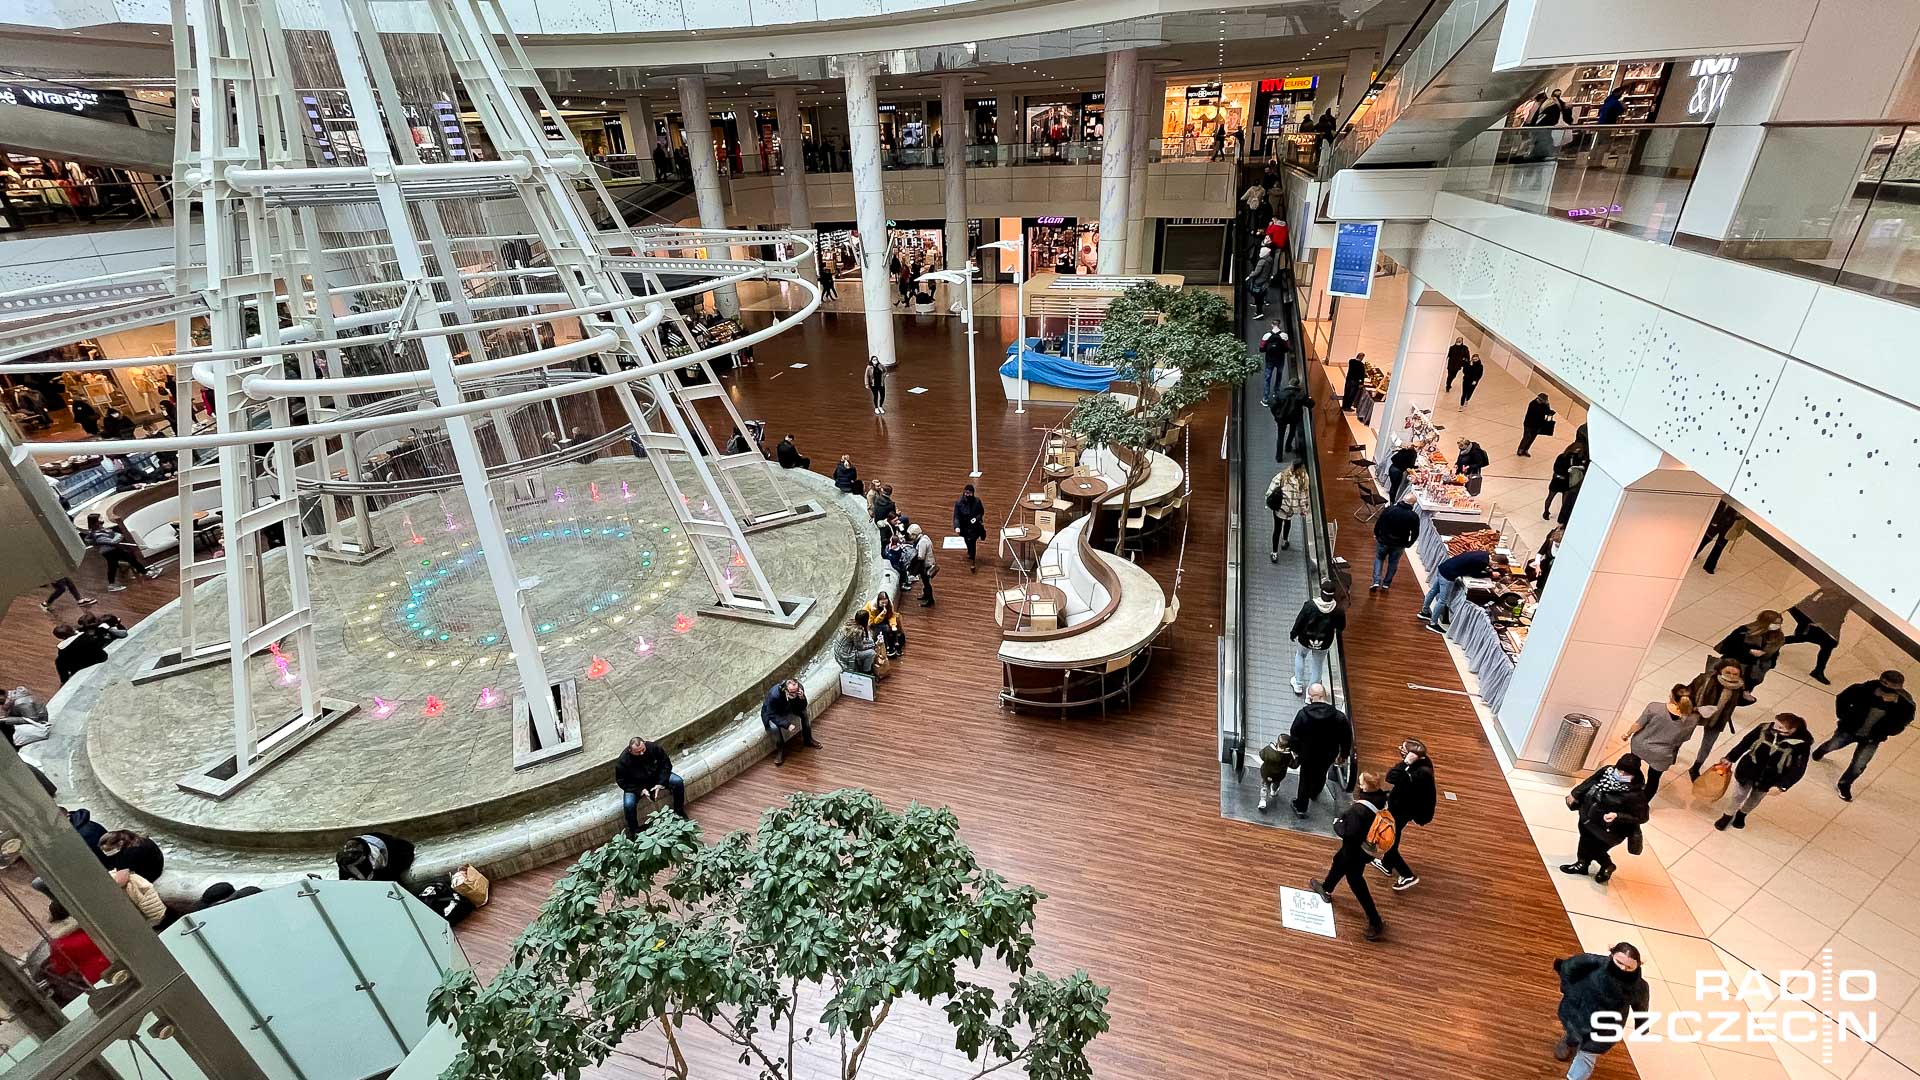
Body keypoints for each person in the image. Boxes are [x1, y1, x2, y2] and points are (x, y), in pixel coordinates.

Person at [1309, 771, 1389, 942]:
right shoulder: (1380, 799)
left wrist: (1337, 824)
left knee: (1356, 882)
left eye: (1361, 781)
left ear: (1365, 786)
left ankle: (1375, 921)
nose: (1358, 783)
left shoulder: (1359, 809)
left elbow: (1349, 833)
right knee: (1338, 862)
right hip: (1365, 848)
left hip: (1354, 851)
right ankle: (1326, 888)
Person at [1552, 944, 1650, 1080]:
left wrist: (1642, 1026)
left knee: (1588, 1054)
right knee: (1574, 1031)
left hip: (1607, 1025)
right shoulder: (1592, 963)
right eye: (1619, 962)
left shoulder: (1639, 987)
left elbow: (1641, 1008)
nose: (1623, 968)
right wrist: (1568, 989)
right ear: (1612, 955)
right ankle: (1569, 1041)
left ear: (1638, 965)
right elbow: (1567, 967)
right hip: (1579, 1011)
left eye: (1629, 967)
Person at [1814, 671, 1914, 801]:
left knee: (1859, 764)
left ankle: (1845, 784)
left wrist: (1889, 729)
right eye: (1883, 683)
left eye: (1891, 685)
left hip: (1873, 738)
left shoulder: (1904, 703)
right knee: (1834, 744)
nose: (1885, 687)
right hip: (1850, 729)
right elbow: (1842, 698)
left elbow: (1904, 720)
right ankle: (1822, 750)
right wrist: (1844, 717)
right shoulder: (1865, 689)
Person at [1714, 712, 1814, 830]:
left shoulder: (1802, 745)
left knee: (1754, 799)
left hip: (1770, 778)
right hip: (1748, 770)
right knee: (1738, 795)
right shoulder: (1763, 729)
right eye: (1775, 724)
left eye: (1780, 727)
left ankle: (1742, 814)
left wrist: (1782, 786)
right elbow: (1745, 743)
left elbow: (1798, 769)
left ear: (1792, 730)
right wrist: (1730, 758)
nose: (1774, 728)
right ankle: (1728, 815)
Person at [1560, 753, 1649, 884]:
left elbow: (1642, 817)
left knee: (1596, 849)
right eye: (1619, 770)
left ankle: (1607, 865)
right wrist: (1575, 794)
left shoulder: (1636, 795)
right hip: (1588, 816)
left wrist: (1617, 816)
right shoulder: (1607, 771)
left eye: (1626, 773)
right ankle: (1582, 864)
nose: (1621, 774)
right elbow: (1590, 782)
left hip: (1610, 830)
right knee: (1585, 841)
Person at [1371, 739, 1435, 891]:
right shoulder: (1422, 764)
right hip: (1401, 808)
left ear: (1412, 755)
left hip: (1402, 811)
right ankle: (1387, 864)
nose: (1400, 749)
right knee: (1393, 836)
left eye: (1404, 749)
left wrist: (1405, 762)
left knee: (1389, 841)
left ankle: (1407, 875)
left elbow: (1391, 777)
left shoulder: (1420, 773)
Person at [1685, 658, 1756, 780]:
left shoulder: (1739, 686)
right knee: (1683, 735)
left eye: (1735, 674)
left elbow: (1738, 702)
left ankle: (1696, 767)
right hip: (1697, 712)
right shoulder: (1705, 679)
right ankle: (1673, 752)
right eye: (1728, 672)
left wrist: (1747, 699)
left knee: (1707, 745)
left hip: (1719, 718)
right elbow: (1689, 692)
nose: (1731, 676)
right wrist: (1693, 708)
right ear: (1720, 671)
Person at [1288, 682, 1352, 817]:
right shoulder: (1339, 717)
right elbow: (1346, 738)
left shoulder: (1303, 714)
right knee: (1321, 774)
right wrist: (1343, 755)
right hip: (1328, 754)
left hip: (1307, 755)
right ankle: (1314, 792)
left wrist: (1296, 751)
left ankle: (1301, 807)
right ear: (1324, 695)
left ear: (1311, 697)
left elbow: (1294, 735)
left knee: (1305, 779)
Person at [1627, 684, 1700, 799]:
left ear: (1671, 695)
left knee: (1631, 769)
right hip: (1663, 754)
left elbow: (1638, 725)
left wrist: (1627, 734)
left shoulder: (1655, 707)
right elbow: (1685, 738)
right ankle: (1642, 803)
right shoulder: (1693, 719)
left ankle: (1627, 790)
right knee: (1653, 780)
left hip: (1640, 745)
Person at [614, 736, 686, 834]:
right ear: (630, 750)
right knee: (628, 804)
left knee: (678, 782)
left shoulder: (654, 748)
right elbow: (622, 781)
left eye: (643, 750)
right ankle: (635, 831)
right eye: (637, 752)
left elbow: (666, 764)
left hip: (656, 777)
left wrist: (661, 783)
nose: (641, 753)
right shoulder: (623, 761)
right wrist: (640, 790)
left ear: (645, 743)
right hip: (636, 785)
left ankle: (679, 811)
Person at [1783, 587, 1850, 685]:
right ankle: (1775, 643)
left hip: (1824, 624)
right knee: (1816, 640)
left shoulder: (1840, 598)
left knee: (1820, 642)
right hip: (1819, 623)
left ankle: (1818, 671)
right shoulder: (1831, 597)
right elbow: (1821, 610)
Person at [1288, 581, 1344, 695]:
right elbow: (1341, 627)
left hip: (1305, 638)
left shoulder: (1310, 605)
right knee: (1318, 664)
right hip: (1324, 642)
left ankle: (1298, 684)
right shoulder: (1338, 610)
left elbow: (1300, 620)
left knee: (1300, 655)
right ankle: (1311, 693)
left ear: (1321, 592)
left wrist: (1294, 632)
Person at [1419, 547, 1491, 632]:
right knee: (1442, 601)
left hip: (1443, 568)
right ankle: (1433, 623)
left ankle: (1424, 612)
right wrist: (1490, 574)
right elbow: (1474, 574)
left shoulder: (1483, 554)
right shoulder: (1483, 562)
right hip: (1448, 576)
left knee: (1433, 591)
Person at [84, 514, 159, 592]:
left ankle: (145, 572)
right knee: (119, 564)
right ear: (94, 523)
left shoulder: (102, 530)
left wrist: (116, 536)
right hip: (109, 552)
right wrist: (118, 537)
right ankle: (145, 573)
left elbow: (115, 535)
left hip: (113, 549)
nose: (101, 522)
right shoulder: (97, 534)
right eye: (99, 520)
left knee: (125, 561)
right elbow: (112, 541)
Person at [1715, 610, 1786, 690]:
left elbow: (1774, 654)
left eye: (1779, 623)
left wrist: (1769, 665)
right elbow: (1727, 646)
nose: (1777, 626)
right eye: (1774, 623)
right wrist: (1749, 651)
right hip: (1733, 665)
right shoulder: (1744, 631)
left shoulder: (1778, 638)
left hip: (1753, 671)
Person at [760, 678, 819, 765]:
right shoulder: (774, 695)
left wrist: (801, 698)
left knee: (804, 714)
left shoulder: (799, 689)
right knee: (774, 728)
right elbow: (771, 714)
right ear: (785, 690)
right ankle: (780, 750)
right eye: (792, 692)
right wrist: (787, 724)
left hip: (788, 707)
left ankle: (808, 739)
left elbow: (803, 707)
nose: (795, 693)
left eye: (796, 691)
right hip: (774, 713)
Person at [1371, 491, 1421, 591]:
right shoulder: (1414, 516)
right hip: (1399, 544)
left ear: (1402, 500)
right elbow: (1415, 533)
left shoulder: (1390, 509)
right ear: (1413, 504)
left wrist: (1376, 534)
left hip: (1384, 540)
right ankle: (1386, 583)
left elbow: (1379, 522)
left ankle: (1376, 581)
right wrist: (1410, 543)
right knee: (1393, 563)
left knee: (1379, 558)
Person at [1265, 460, 1310, 560]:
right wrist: (1303, 510)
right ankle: (1285, 541)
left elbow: (1271, 490)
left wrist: (1268, 501)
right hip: (1290, 509)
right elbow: (1303, 497)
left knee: (1277, 529)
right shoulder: (1303, 480)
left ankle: (1274, 553)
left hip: (1280, 508)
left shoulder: (1282, 476)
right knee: (1287, 522)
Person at [335, 831, 416, 882]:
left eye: (355, 864)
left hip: (398, 855)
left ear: (363, 857)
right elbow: (343, 876)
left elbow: (387, 879)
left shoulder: (380, 856)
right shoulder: (344, 857)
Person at [1696, 501, 1744, 574]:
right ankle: (1697, 555)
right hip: (1721, 519)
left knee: (1719, 545)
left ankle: (1709, 566)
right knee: (1707, 539)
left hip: (1730, 524)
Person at [1269, 378, 1311, 461]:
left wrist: (1276, 415)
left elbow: (1272, 405)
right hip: (1294, 417)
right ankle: (1288, 446)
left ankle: (1279, 457)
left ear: (1289, 384)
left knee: (1280, 436)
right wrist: (1309, 398)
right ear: (1297, 385)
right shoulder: (1300, 395)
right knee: (1292, 431)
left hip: (1282, 418)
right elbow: (1311, 404)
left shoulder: (1281, 394)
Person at [97, 830, 165, 882]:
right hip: (154, 862)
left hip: (151, 872)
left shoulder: (131, 853)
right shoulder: (127, 837)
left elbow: (121, 879)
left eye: (108, 849)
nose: (105, 852)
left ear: (120, 843)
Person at [1256, 732, 1296, 812]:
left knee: (1264, 786)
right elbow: (1293, 765)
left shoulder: (1268, 749)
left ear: (1277, 742)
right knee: (1276, 783)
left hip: (1266, 773)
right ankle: (1273, 791)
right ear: (1287, 748)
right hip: (1279, 775)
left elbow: (1261, 755)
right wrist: (1297, 758)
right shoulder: (1287, 756)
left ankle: (1262, 801)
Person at [1543, 443, 1585, 520]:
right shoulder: (1562, 457)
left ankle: (1562, 516)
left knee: (1564, 501)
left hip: (1566, 482)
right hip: (1557, 481)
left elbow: (1581, 466)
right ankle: (1546, 512)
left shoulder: (1577, 458)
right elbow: (1556, 468)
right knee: (1550, 497)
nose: (1576, 452)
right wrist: (1566, 471)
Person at [952, 484, 986, 569]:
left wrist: (976, 518)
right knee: (967, 540)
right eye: (966, 493)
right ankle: (970, 552)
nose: (968, 495)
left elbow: (981, 512)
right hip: (964, 527)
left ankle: (973, 560)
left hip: (974, 527)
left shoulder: (977, 501)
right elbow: (956, 516)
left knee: (972, 542)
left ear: (973, 493)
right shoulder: (959, 503)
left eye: (969, 493)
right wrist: (957, 526)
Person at [865, 591, 905, 657]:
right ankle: (887, 647)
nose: (884, 605)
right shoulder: (873, 607)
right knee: (884, 628)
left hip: (882, 619)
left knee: (894, 628)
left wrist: (893, 625)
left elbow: (891, 615)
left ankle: (896, 644)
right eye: (882, 603)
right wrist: (882, 614)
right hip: (873, 622)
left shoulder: (889, 605)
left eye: (886, 603)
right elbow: (874, 621)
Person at [906, 523, 937, 607]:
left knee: (926, 583)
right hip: (927, 564)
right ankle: (926, 595)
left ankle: (929, 599)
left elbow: (921, 556)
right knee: (925, 582)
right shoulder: (925, 538)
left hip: (926, 566)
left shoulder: (922, 542)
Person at [1258, 320, 1290, 403]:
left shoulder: (1266, 335)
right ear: (1279, 325)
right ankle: (1276, 393)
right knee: (1279, 376)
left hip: (1270, 360)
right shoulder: (1284, 335)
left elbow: (1261, 348)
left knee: (1267, 378)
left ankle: (1265, 398)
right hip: (1280, 359)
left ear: (1272, 325)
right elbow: (1287, 348)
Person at [1245, 241, 1275, 317]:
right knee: (1261, 294)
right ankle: (1260, 304)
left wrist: (1249, 276)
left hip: (1259, 281)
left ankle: (1259, 312)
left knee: (1256, 293)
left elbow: (1257, 272)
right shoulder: (1270, 259)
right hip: (1265, 280)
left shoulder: (1261, 261)